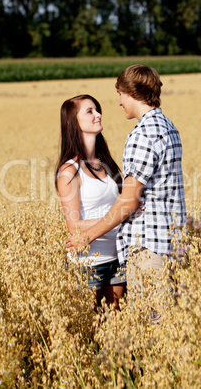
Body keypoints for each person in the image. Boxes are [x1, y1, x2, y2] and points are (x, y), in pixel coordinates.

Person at [65, 66, 186, 322]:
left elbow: (128, 201)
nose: (119, 102)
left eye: (120, 94)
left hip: (149, 248)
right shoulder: (170, 127)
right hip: (171, 244)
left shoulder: (141, 134)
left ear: (132, 92)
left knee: (154, 329)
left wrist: (86, 236)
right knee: (165, 326)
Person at [55, 94, 126, 309]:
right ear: (73, 123)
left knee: (116, 327)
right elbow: (74, 225)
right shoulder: (69, 170)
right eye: (90, 111)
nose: (98, 114)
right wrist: (121, 215)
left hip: (117, 257)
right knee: (89, 331)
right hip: (88, 263)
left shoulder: (106, 164)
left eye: (97, 109)